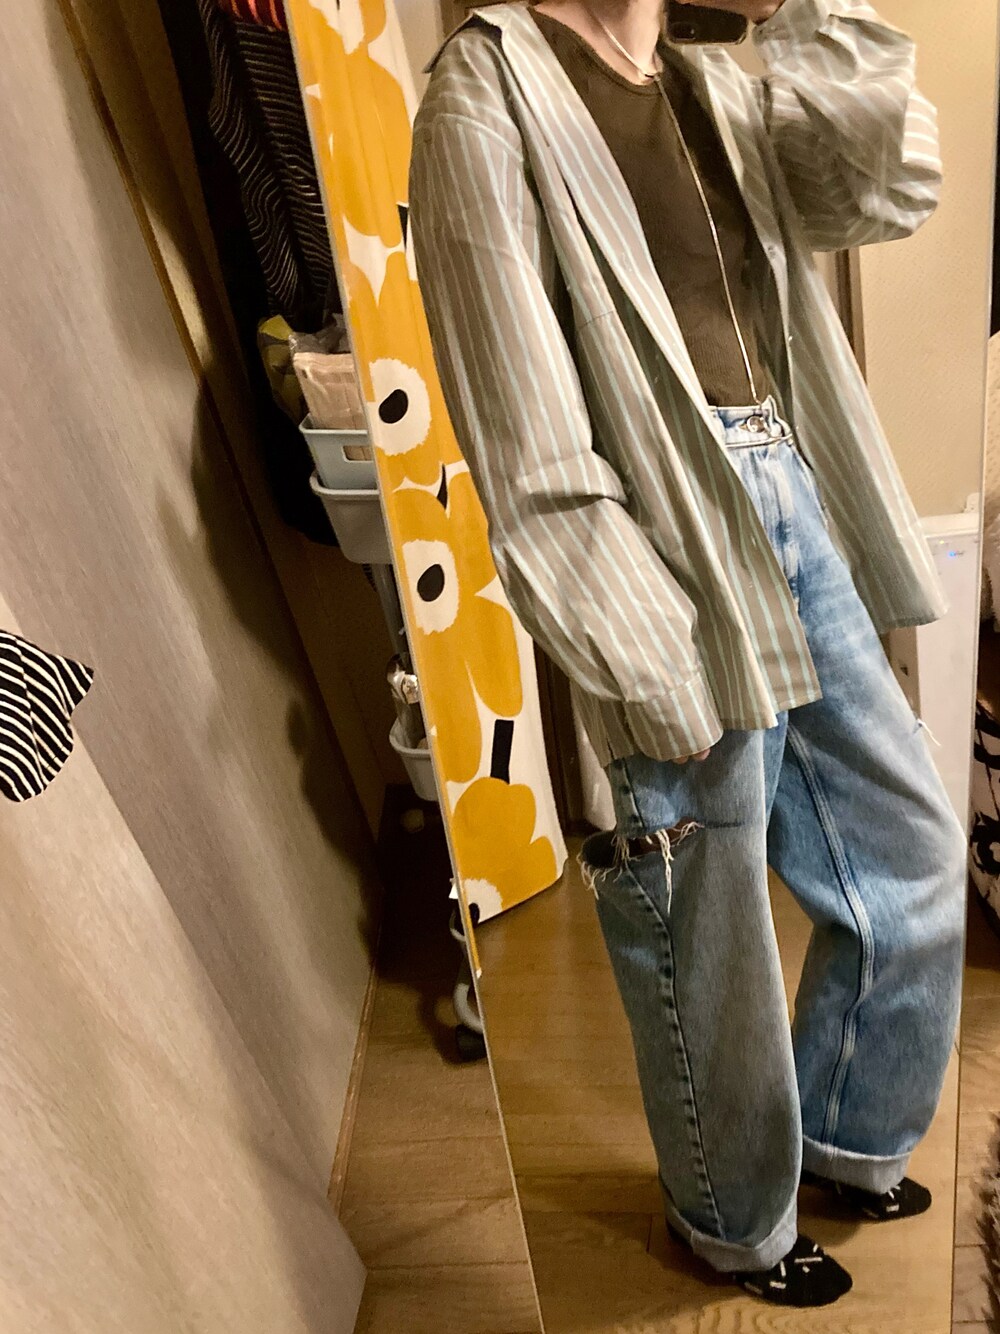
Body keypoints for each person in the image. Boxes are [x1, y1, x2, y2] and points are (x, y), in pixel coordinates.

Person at [409, 0, 965, 1308]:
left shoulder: (716, 83)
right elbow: (524, 434)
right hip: (666, 537)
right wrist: (640, 646)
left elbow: (886, 178)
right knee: (709, 918)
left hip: (793, 495)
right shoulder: (484, 94)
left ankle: (846, 1128)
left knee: (913, 846)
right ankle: (735, 1221)